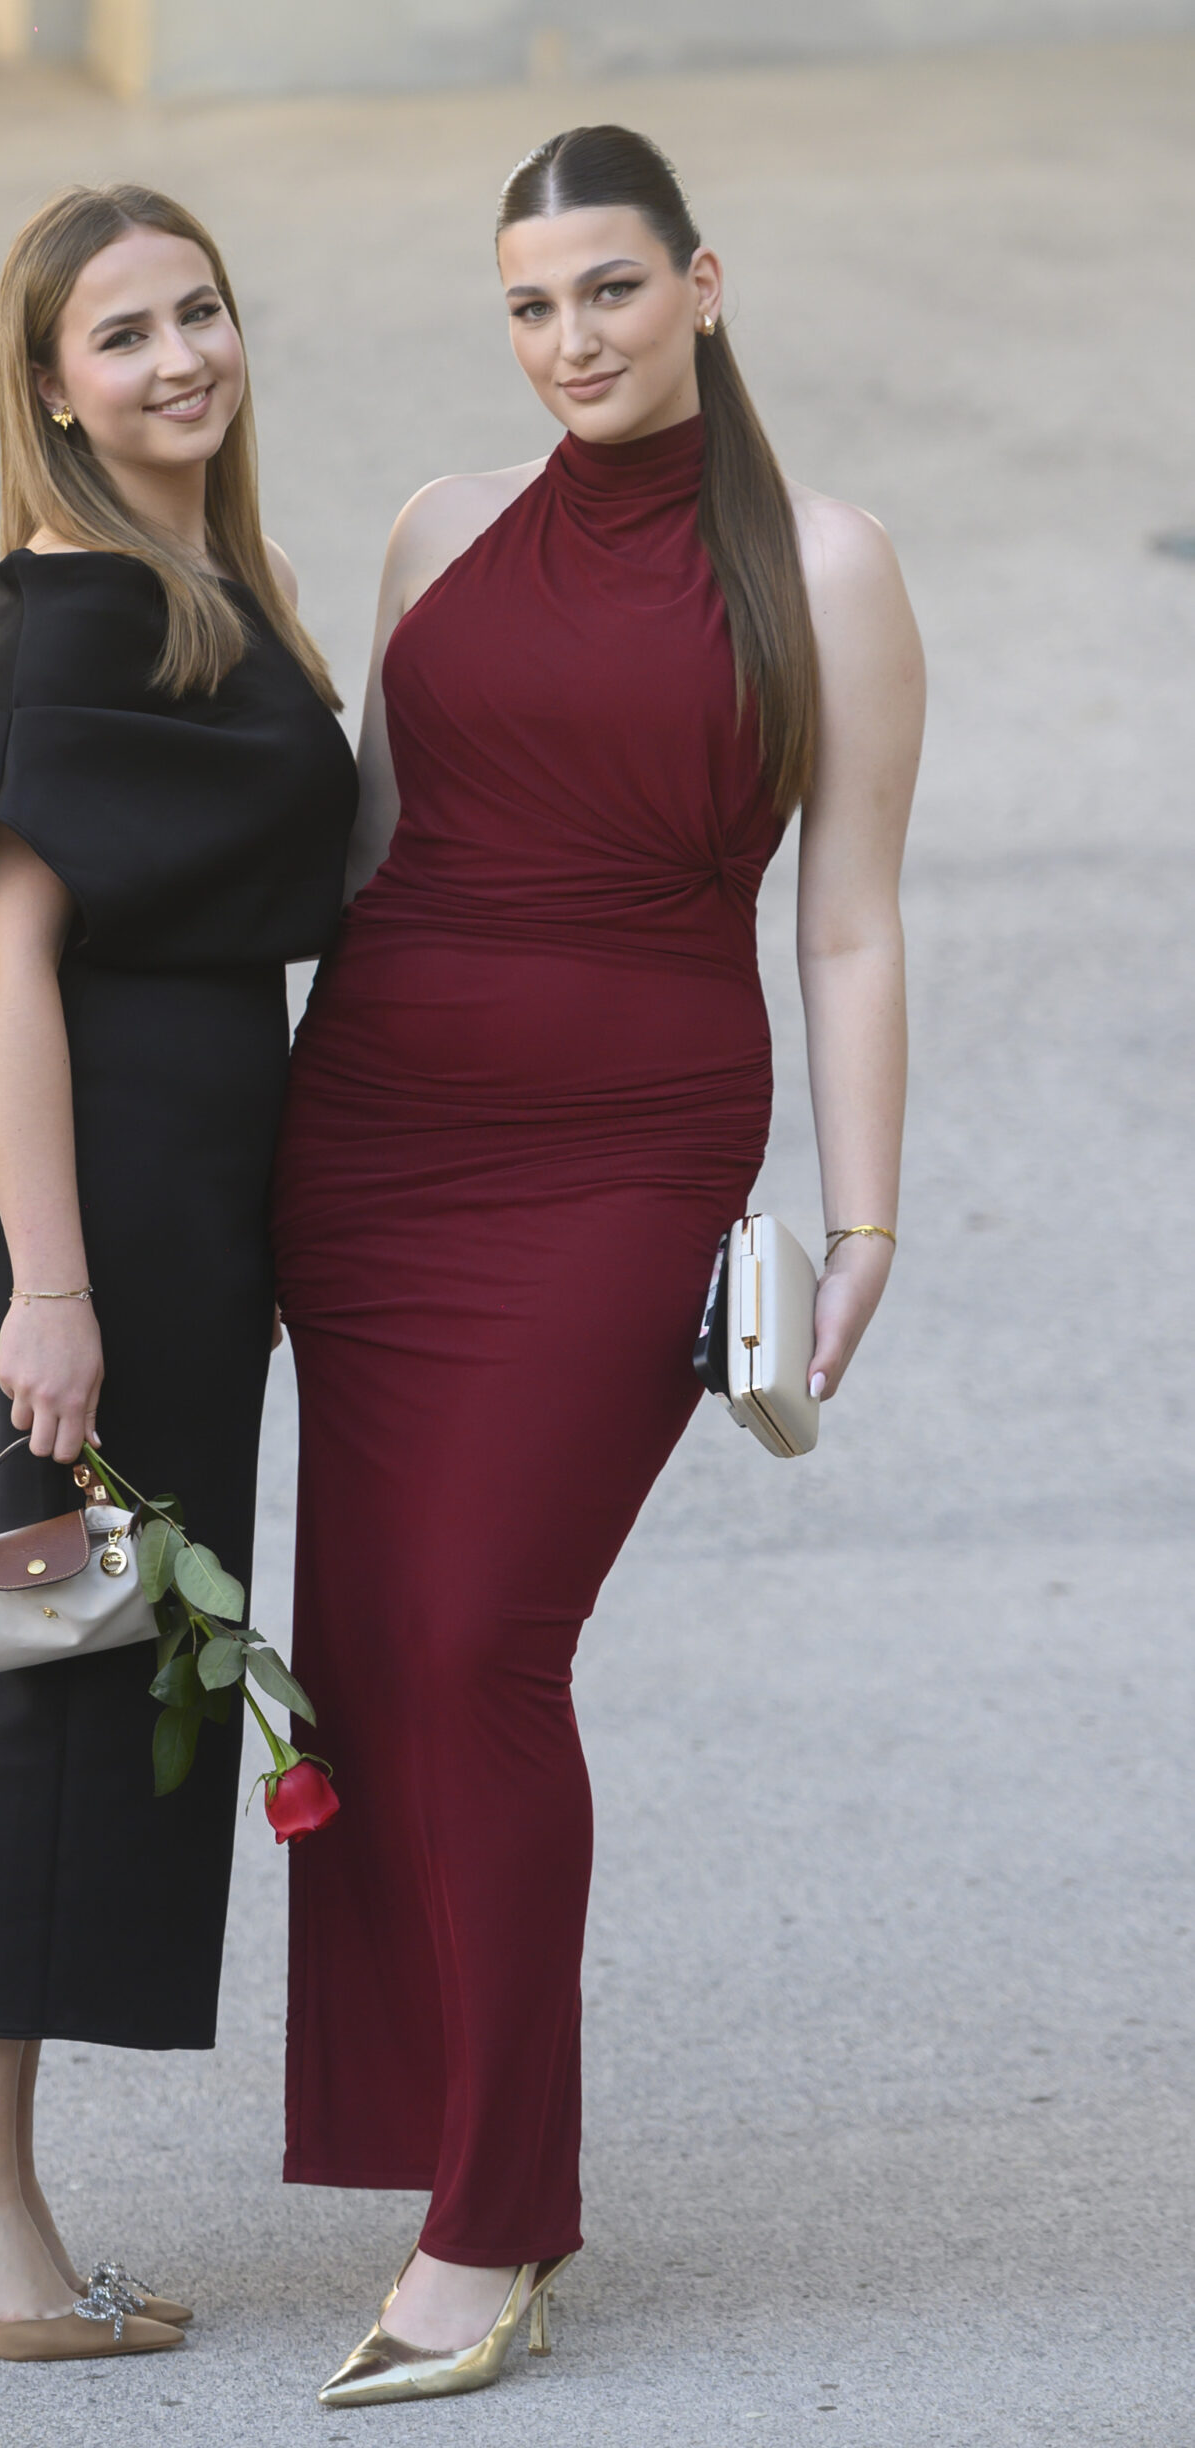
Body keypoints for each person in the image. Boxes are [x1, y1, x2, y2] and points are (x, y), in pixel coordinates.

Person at [270, 124, 924, 2407]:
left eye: (612, 291)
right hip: (370, 1153)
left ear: (704, 285)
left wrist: (863, 1214)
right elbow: (355, 854)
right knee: (378, 1658)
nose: (572, 340)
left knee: (479, 1633)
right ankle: (459, 2167)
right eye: (532, 305)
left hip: (628, 1156)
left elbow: (848, 919)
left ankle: (496, 2218)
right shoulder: (435, 531)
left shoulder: (825, 566)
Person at [0, 183, 356, 2365]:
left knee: (104, 1648)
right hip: (105, 1197)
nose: (178, 359)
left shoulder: (216, 582)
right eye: (124, 336)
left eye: (200, 313)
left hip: (183, 1184)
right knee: (59, 1655)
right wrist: (49, 1292)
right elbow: (8, 953)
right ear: (51, 389)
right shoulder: (72, 605)